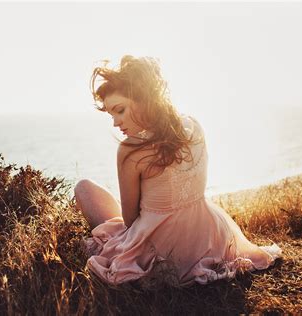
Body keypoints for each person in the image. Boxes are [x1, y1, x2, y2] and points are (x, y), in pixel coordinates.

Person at [74, 55, 282, 286]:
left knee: (84, 188)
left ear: (144, 99)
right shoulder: (193, 126)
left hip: (161, 246)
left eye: (120, 110)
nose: (115, 122)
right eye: (111, 114)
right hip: (208, 235)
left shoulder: (130, 150)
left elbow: (131, 219)